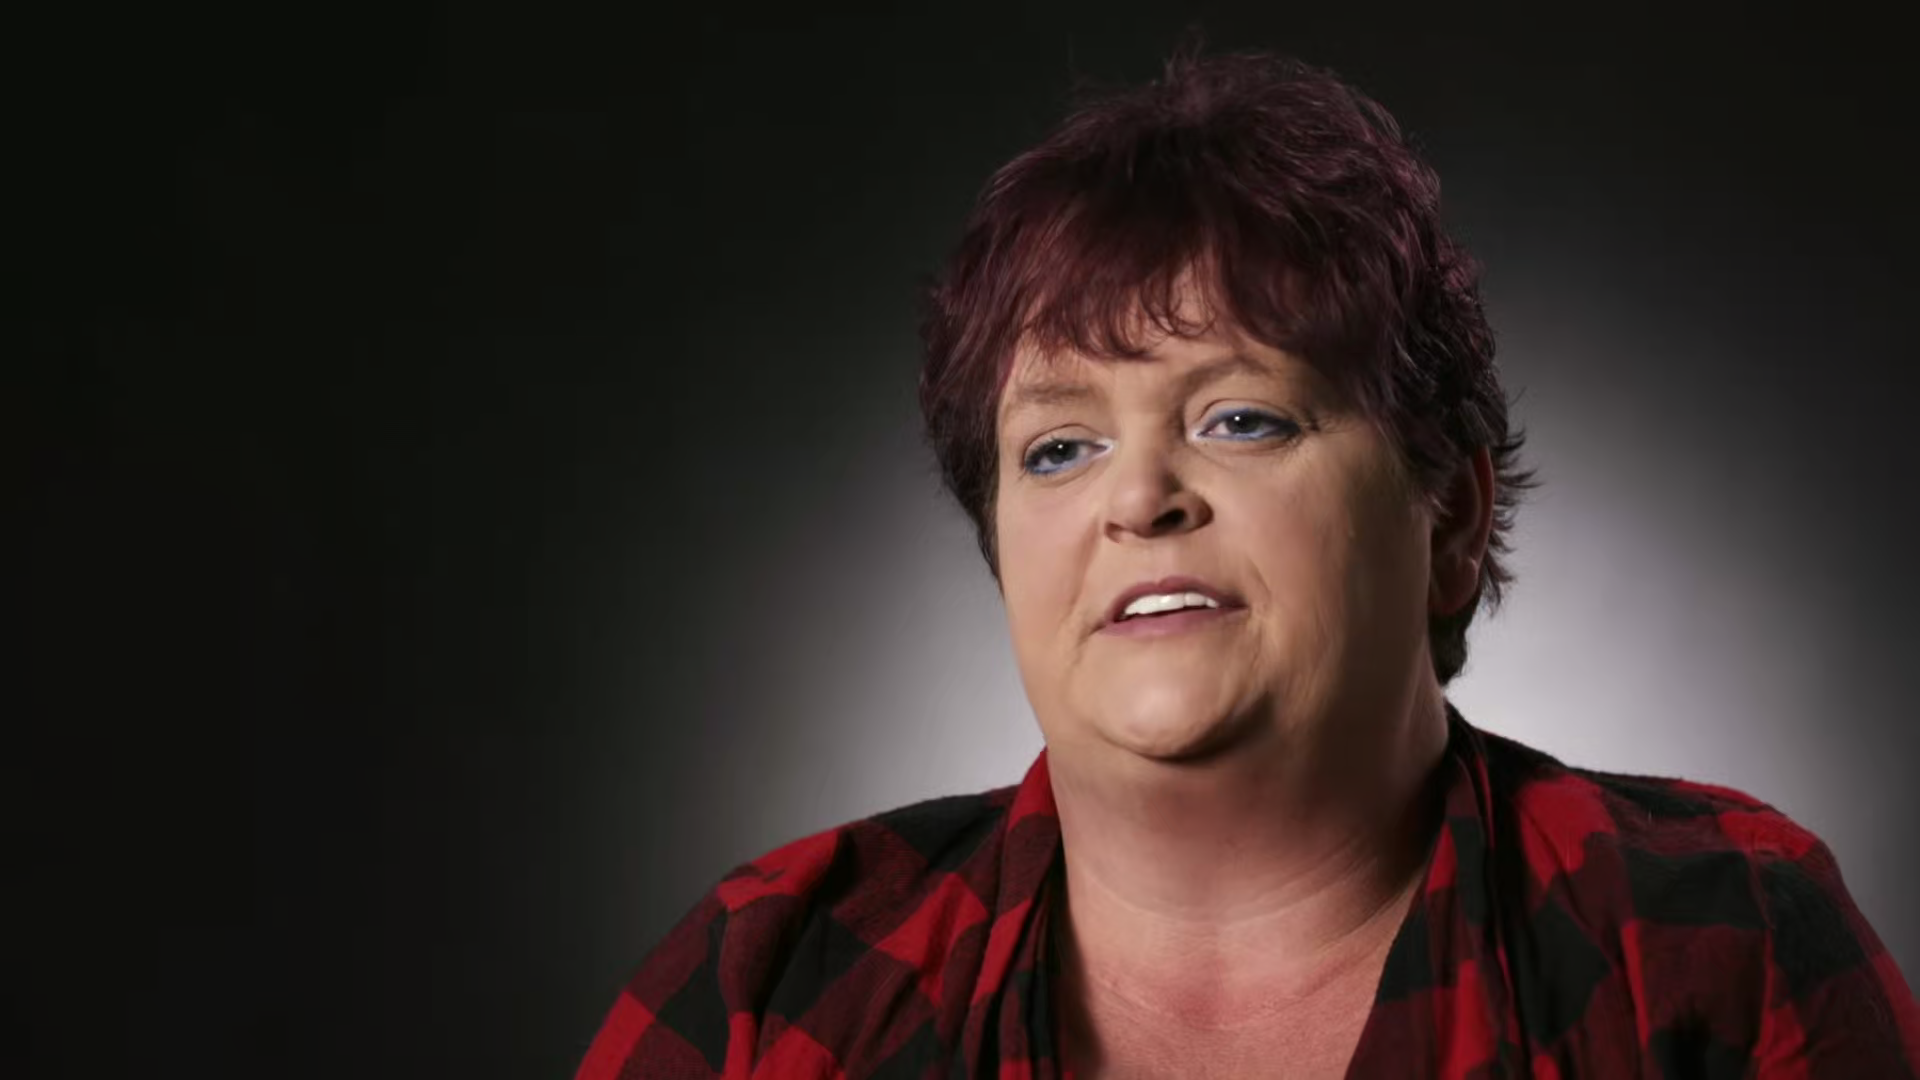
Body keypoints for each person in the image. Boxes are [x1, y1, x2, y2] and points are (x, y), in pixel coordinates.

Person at [574, 50, 1920, 1078]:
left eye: (1242, 419)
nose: (1139, 499)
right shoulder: (770, 985)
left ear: (1451, 518)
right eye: (1059, 448)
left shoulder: (1720, 950)